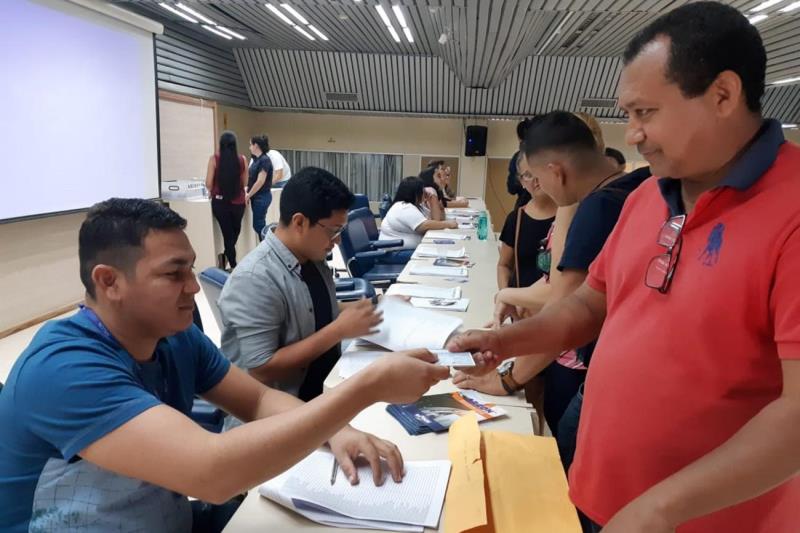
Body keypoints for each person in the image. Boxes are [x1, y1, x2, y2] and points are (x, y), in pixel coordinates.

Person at [449, 3, 800, 532]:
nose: (631, 134)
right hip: (604, 493)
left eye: (645, 113)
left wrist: (659, 509)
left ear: (723, 95)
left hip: (698, 519)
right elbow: (590, 305)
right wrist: (507, 342)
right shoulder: (647, 196)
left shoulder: (790, 209)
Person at [0, 198, 449, 532]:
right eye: (174, 273)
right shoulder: (63, 368)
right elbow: (211, 474)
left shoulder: (175, 337)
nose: (193, 287)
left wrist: (338, 431)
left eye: (192, 270)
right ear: (108, 281)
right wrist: (364, 389)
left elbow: (256, 399)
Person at [457, 112, 649, 448]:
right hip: (626, 374)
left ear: (555, 171)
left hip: (596, 374)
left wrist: (507, 379)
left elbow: (568, 309)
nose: (537, 187)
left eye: (536, 176)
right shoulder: (639, 188)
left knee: (566, 455)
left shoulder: (597, 208)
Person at [496, 151, 556, 291]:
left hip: (554, 301)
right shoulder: (516, 219)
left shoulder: (567, 217)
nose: (535, 179)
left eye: (539, 171)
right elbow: (504, 265)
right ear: (522, 182)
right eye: (528, 175)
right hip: (519, 301)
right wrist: (505, 294)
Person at [379, 176, 458, 249]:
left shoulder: (416, 206)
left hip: (406, 249)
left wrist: (433, 201)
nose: (425, 193)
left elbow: (435, 221)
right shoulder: (404, 207)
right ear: (415, 193)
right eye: (422, 191)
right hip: (394, 252)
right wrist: (448, 224)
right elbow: (424, 226)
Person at [205, 131, 247, 270]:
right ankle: (232, 263)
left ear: (221, 144)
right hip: (238, 203)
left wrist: (213, 188)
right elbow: (245, 182)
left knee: (227, 234)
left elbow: (208, 183)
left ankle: (229, 261)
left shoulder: (214, 159)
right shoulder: (242, 159)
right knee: (234, 234)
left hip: (220, 202)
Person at [247, 135, 274, 241]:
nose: (249, 147)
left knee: (259, 225)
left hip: (262, 197)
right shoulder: (256, 160)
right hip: (257, 197)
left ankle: (269, 244)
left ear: (256, 145)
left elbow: (260, 181)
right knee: (259, 225)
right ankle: (266, 244)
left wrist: (248, 195)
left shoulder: (264, 160)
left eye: (251, 145)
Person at [507, 118, 533, 208]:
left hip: (523, 205)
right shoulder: (545, 156)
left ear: (519, 138)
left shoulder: (517, 158)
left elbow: (511, 189)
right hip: (548, 208)